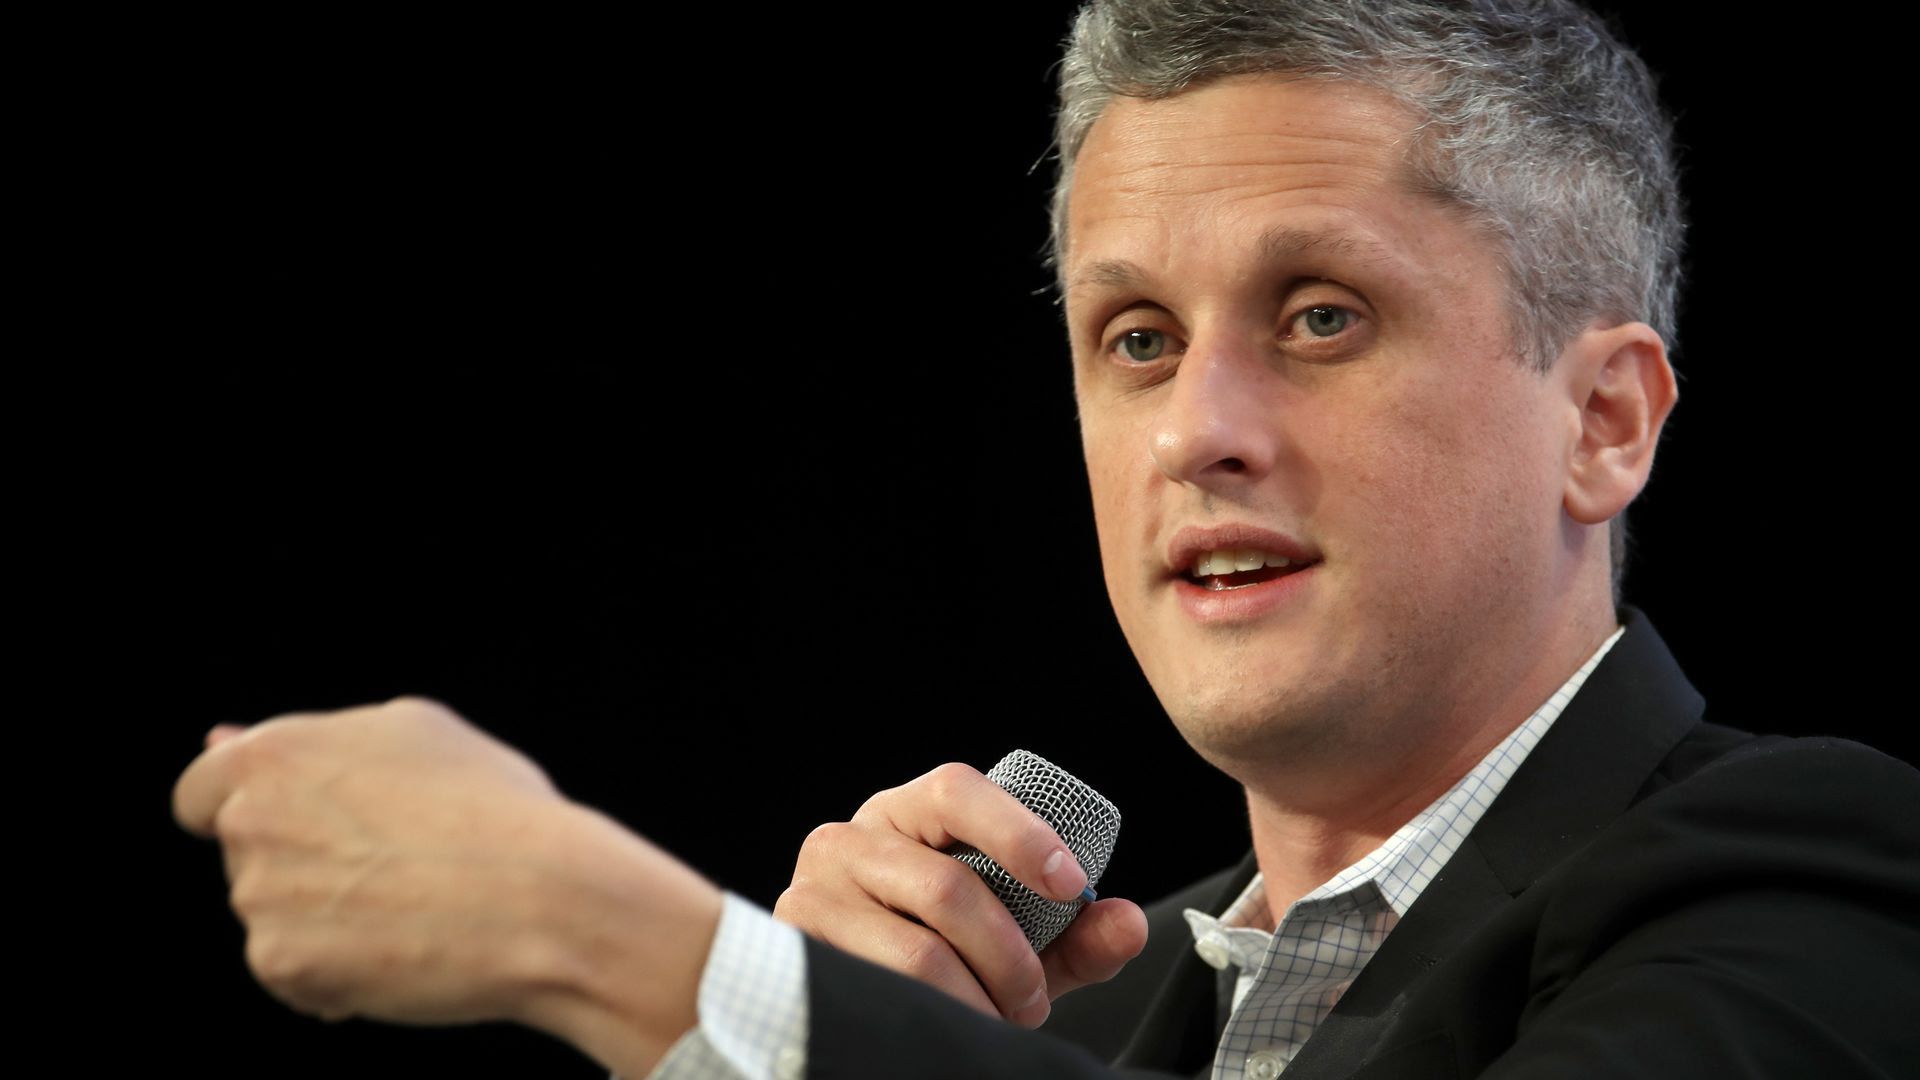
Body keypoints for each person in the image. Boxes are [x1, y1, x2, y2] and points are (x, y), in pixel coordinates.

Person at [172, 1, 1919, 1077]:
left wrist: (636, 948)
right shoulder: (1071, 1015)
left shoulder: (1819, 883)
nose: (1195, 429)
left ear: (1603, 421)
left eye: (1318, 316)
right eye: (1137, 339)